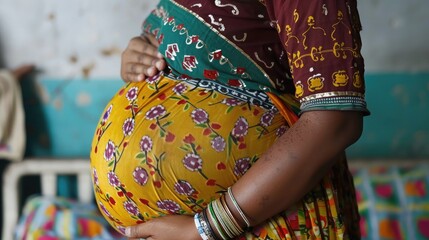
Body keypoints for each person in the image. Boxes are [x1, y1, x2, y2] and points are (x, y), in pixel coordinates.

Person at [90, 0, 369, 239]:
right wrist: (138, 53)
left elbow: (335, 121)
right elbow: (161, 39)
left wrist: (205, 229)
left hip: (267, 219)